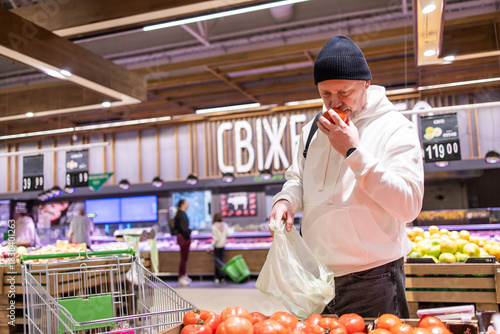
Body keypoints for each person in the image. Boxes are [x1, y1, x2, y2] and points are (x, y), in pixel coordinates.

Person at [269, 35, 424, 318]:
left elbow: (409, 205)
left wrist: (353, 151)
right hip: (317, 279)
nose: (334, 103)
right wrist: (286, 200)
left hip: (373, 279)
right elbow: (298, 180)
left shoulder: (395, 128)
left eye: (344, 92)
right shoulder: (312, 131)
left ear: (366, 83)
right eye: (325, 94)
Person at [207, 213, 231, 283]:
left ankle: (217, 277)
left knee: (217, 262)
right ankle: (223, 277)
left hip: (217, 246)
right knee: (222, 261)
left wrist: (209, 247)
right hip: (223, 246)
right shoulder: (225, 225)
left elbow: (215, 239)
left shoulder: (214, 226)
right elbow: (229, 234)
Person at [175, 199, 192, 287]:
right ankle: (181, 277)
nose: (188, 204)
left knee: (185, 258)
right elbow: (183, 228)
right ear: (182, 204)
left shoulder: (181, 214)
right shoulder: (181, 214)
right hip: (183, 238)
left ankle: (184, 275)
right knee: (183, 258)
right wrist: (188, 234)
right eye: (186, 202)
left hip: (184, 237)